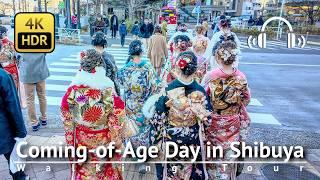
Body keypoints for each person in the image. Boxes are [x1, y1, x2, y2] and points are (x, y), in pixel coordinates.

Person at [61, 49, 126, 179]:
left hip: (81, 138)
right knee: (104, 170)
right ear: (99, 65)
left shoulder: (73, 89)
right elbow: (117, 117)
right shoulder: (107, 88)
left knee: (85, 170)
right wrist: (117, 140)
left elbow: (66, 117)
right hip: (103, 139)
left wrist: (70, 141)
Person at [149, 51, 212, 179]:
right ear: (195, 69)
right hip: (192, 137)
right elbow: (208, 120)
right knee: (189, 171)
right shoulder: (200, 90)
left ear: (178, 67)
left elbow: (157, 118)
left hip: (172, 137)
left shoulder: (168, 89)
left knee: (173, 171)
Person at [202, 41, 250, 180]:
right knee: (229, 157)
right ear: (235, 58)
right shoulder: (241, 76)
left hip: (214, 122)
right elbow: (246, 99)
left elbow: (202, 98)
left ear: (218, 57)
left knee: (212, 155)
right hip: (233, 121)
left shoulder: (211, 75)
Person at [117, 40, 158, 164]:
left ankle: (132, 152)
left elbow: (119, 84)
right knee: (144, 128)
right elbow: (155, 86)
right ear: (141, 52)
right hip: (143, 104)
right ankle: (142, 153)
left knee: (130, 127)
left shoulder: (125, 68)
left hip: (130, 104)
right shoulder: (147, 67)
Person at [0, 64, 28, 180]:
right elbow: (13, 107)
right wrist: (21, 132)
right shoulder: (3, 76)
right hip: (4, 129)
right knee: (14, 157)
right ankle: (20, 177)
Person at [18, 53, 49, 131]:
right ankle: (44, 118)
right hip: (40, 71)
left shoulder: (22, 42)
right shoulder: (40, 42)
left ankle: (34, 123)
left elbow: (17, 56)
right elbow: (46, 52)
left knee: (29, 99)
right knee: (42, 96)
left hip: (27, 73)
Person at [91, 31, 120, 96]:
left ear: (93, 43)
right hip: (107, 91)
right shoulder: (110, 57)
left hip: (91, 91)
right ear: (105, 44)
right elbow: (114, 77)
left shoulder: (88, 57)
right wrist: (118, 94)